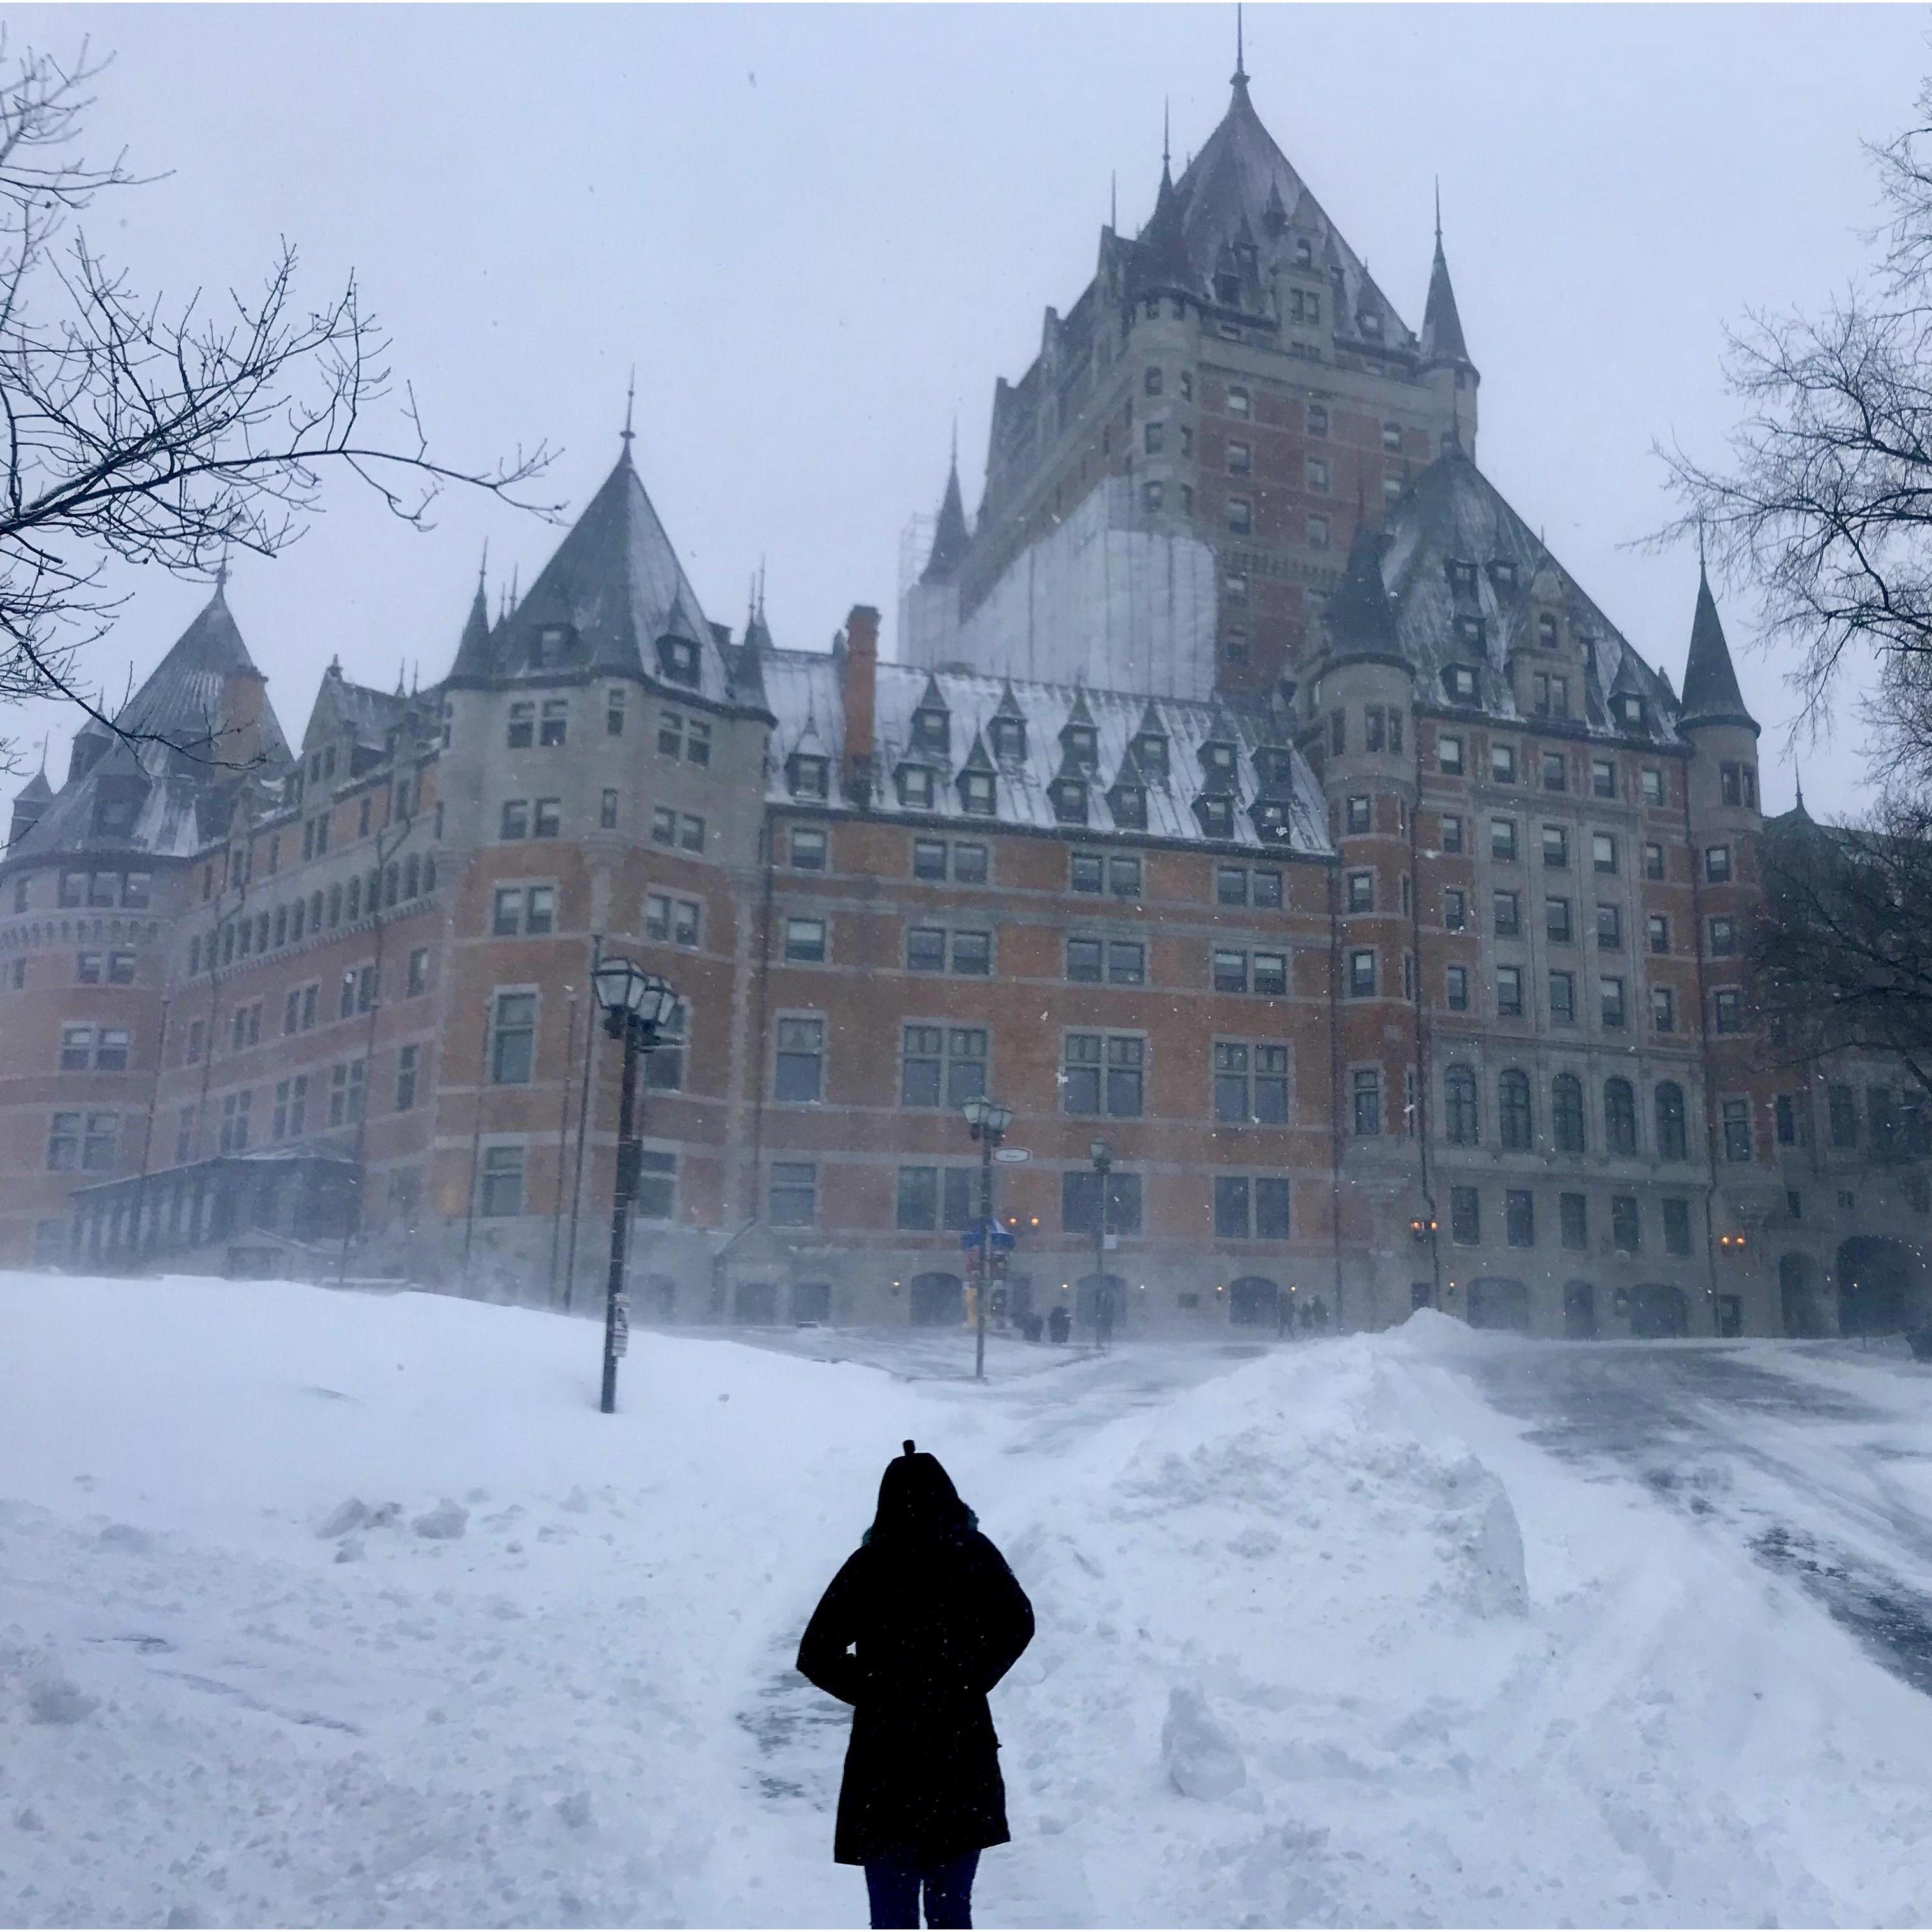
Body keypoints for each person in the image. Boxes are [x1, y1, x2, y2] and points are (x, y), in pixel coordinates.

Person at [797, 1441, 1034, 1930]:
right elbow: (1019, 1621)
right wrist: (969, 1678)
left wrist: (877, 1691)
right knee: (951, 1910)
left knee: (892, 1915)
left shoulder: (869, 1564)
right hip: (961, 1755)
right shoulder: (974, 1554)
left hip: (886, 1762)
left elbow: (815, 1653)